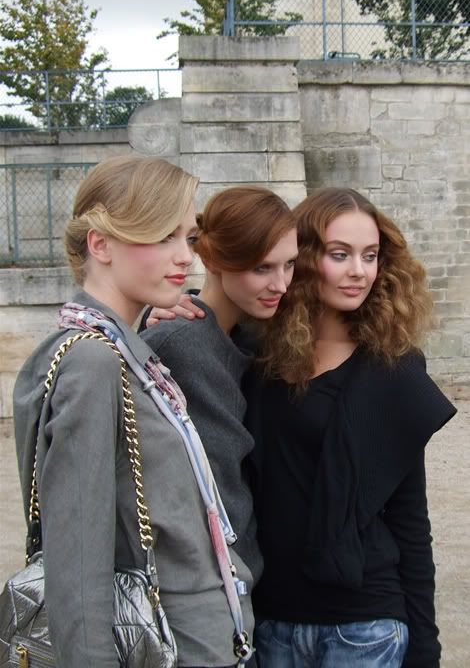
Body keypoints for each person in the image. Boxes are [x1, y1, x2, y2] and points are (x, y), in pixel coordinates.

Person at [13, 154, 255, 668]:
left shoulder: (122, 350)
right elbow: (77, 560)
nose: (183, 257)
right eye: (162, 235)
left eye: (187, 237)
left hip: (193, 631)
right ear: (100, 244)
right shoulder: (93, 362)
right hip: (170, 641)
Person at [242, 187, 457, 668]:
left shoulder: (392, 371)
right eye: (340, 255)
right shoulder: (255, 355)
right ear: (304, 257)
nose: (359, 270)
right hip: (269, 621)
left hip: (364, 626)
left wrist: (425, 649)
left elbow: (409, 520)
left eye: (371, 256)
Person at [140, 185, 298, 598]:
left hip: (241, 585)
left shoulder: (248, 337)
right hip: (207, 592)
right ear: (210, 259)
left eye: (289, 265)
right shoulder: (178, 344)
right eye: (262, 268)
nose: (281, 284)